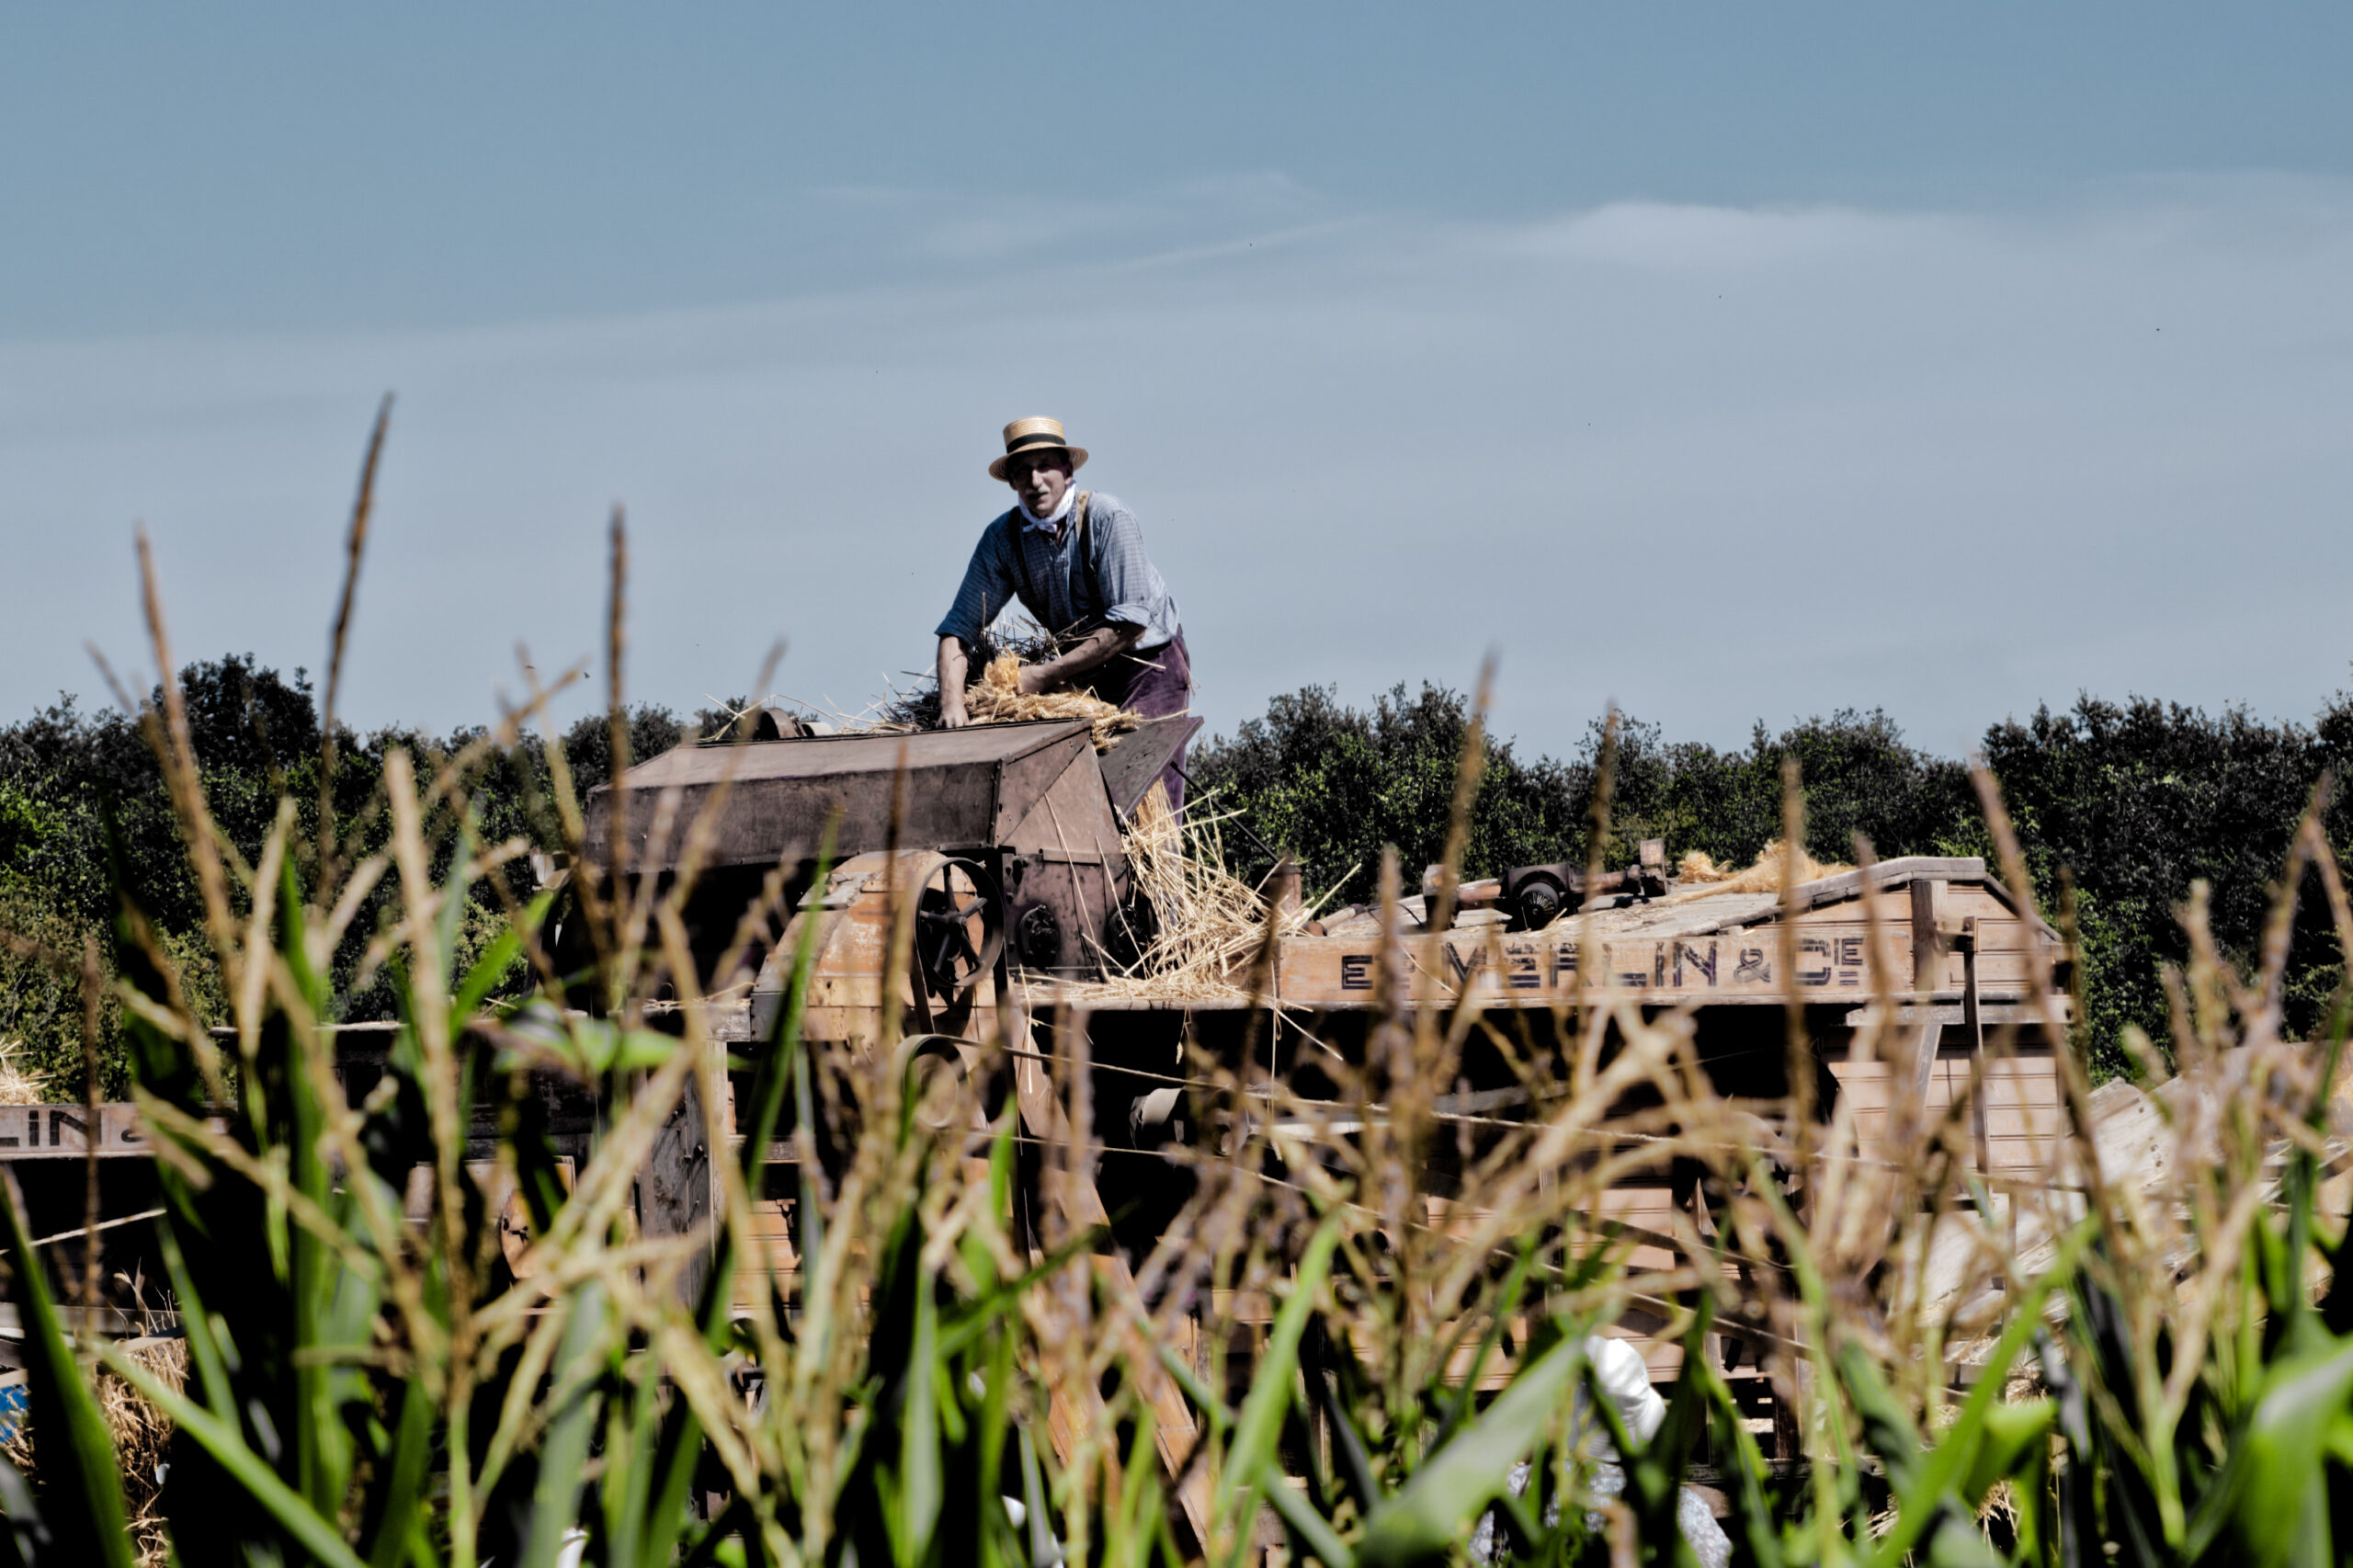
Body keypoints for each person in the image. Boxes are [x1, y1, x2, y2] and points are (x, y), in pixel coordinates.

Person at [934, 416, 1194, 811]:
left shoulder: (1107, 518)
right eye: (1022, 471)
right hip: (1084, 668)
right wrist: (951, 704)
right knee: (1078, 795)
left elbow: (1130, 626)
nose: (1035, 480)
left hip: (1148, 665)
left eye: (1044, 467)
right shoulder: (1002, 540)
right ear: (1012, 483)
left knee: (1142, 798)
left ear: (1067, 471)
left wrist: (1041, 675)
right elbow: (958, 630)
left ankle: (1162, 864)